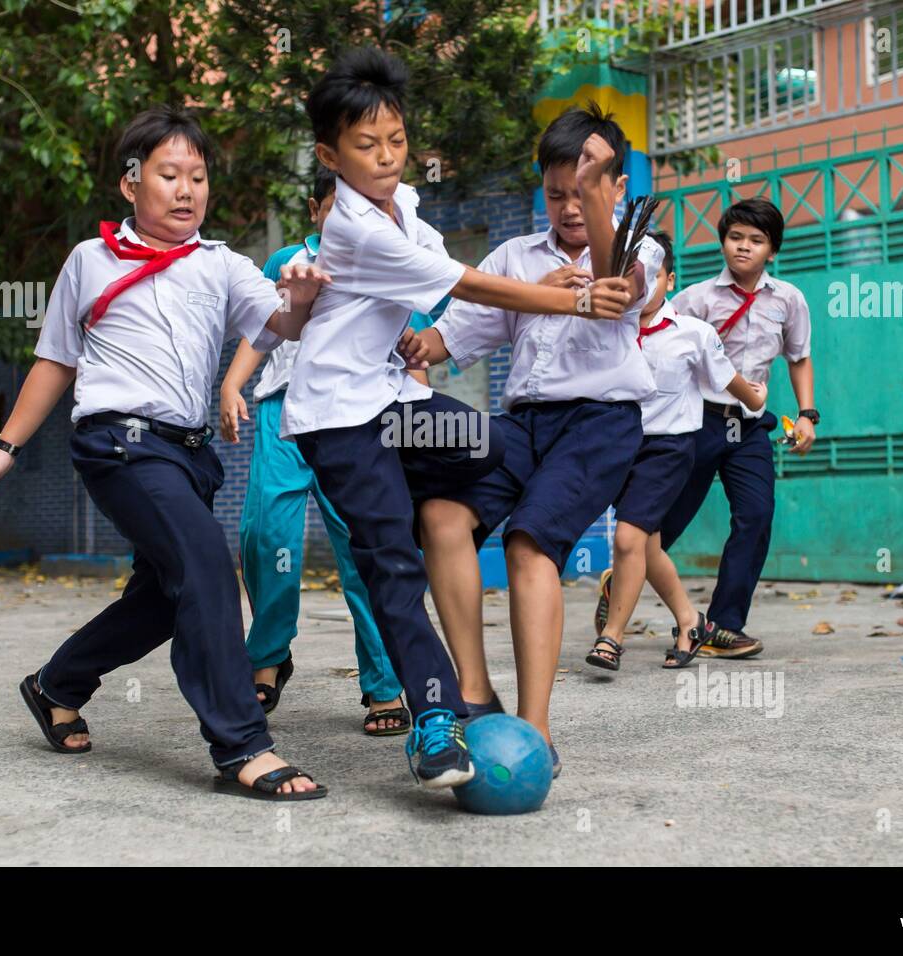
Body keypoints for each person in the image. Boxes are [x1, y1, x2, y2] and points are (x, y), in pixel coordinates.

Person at [284, 49, 635, 789]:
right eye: (365, 146)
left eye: (396, 141)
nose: (385, 159)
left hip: (418, 408)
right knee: (404, 547)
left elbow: (605, 284)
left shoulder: (403, 204)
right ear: (329, 155)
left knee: (487, 450)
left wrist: (434, 338)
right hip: (342, 420)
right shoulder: (359, 227)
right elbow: (470, 290)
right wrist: (557, 298)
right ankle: (445, 715)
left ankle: (521, 713)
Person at [0, 106, 331, 801]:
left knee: (164, 599)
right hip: (118, 445)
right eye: (170, 174)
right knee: (206, 571)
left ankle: (56, 685)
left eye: (198, 176)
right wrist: (5, 446)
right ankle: (242, 745)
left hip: (189, 455)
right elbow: (54, 362)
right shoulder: (89, 260)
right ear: (132, 183)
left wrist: (303, 300)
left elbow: (276, 321)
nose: (188, 189)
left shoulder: (220, 264)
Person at [398, 103, 651, 778]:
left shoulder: (637, 245)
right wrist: (403, 334)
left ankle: (534, 734)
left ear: (617, 186)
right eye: (558, 192)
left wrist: (600, 201)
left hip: (599, 423)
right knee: (441, 515)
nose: (570, 206)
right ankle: (476, 697)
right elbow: (448, 339)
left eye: (587, 189)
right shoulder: (514, 258)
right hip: (524, 426)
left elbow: (619, 289)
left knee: (530, 540)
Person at [220, 165, 423, 737]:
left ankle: (383, 685)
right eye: (337, 206)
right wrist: (233, 384)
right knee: (266, 534)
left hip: (357, 419)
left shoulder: (393, 261)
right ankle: (269, 654)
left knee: (363, 549)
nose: (349, 218)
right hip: (283, 412)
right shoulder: (287, 260)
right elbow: (264, 327)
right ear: (316, 210)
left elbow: (418, 352)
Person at [588, 232, 766, 672]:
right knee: (646, 548)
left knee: (628, 539)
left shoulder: (693, 332)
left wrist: (756, 398)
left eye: (652, 275)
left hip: (669, 449)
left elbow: (728, 379)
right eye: (633, 275)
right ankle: (691, 621)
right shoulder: (612, 328)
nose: (642, 285)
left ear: (670, 279)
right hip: (622, 447)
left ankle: (612, 637)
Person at [658, 198, 818, 658]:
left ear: (772, 249)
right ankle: (624, 578)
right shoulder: (695, 299)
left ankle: (724, 624)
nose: (743, 247)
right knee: (666, 521)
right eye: (735, 237)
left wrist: (807, 414)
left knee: (756, 515)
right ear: (722, 242)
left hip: (748, 428)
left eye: (756, 240)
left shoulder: (788, 300)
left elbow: (799, 356)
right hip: (697, 422)